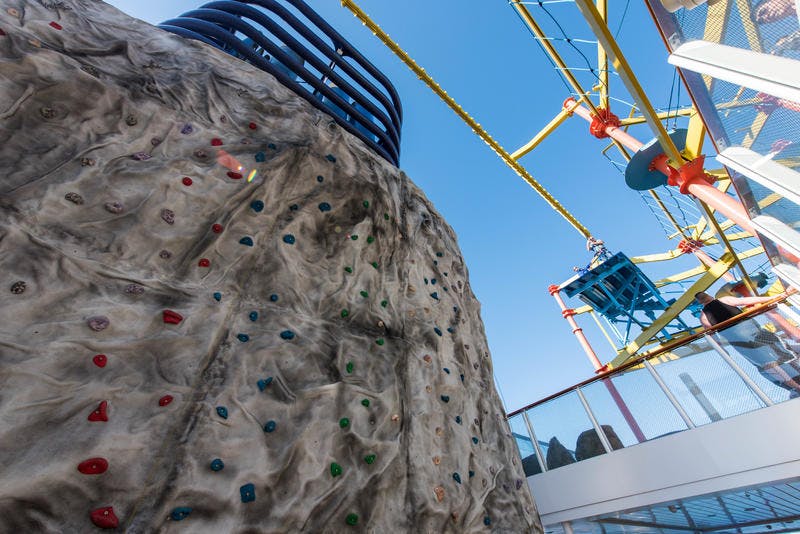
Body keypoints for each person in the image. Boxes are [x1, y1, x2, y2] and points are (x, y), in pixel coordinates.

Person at [695, 291, 800, 395]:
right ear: (709, 295)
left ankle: (795, 387)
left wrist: (723, 351)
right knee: (780, 350)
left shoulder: (703, 317)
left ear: (700, 302)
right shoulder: (724, 300)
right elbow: (748, 300)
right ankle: (796, 377)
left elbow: (713, 337)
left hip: (739, 342)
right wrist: (774, 297)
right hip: (753, 331)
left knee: (767, 364)